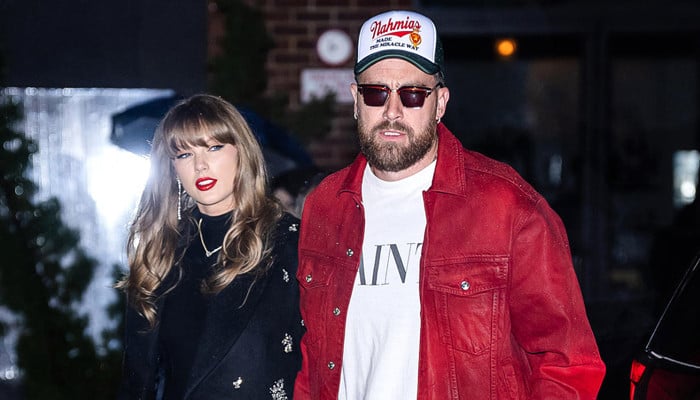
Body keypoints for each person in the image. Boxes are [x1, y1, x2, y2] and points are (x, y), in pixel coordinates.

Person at [294, 10, 606, 400]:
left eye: (413, 94)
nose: (392, 111)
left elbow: (567, 365)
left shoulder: (508, 207)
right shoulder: (325, 205)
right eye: (376, 93)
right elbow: (312, 360)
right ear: (356, 101)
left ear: (440, 103)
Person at [117, 94, 303, 399]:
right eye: (184, 154)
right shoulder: (160, 253)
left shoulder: (289, 241)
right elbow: (137, 381)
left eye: (214, 148)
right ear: (172, 167)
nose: (200, 165)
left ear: (241, 152)